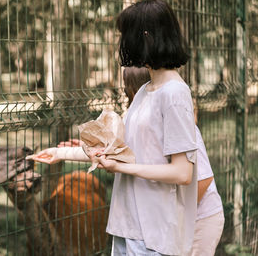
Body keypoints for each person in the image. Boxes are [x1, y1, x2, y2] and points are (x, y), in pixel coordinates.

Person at [29, 0, 200, 255]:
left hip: (153, 234)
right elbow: (122, 150)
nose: (121, 43)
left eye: (125, 35)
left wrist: (121, 167)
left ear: (145, 37)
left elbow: (182, 172)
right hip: (126, 226)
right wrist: (61, 153)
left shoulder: (174, 93)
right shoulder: (145, 91)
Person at [58, 67, 224, 256]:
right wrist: (73, 149)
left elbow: (203, 179)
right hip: (166, 222)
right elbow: (123, 149)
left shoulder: (178, 120)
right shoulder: (140, 120)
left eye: (126, 88)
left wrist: (175, 216)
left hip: (201, 218)